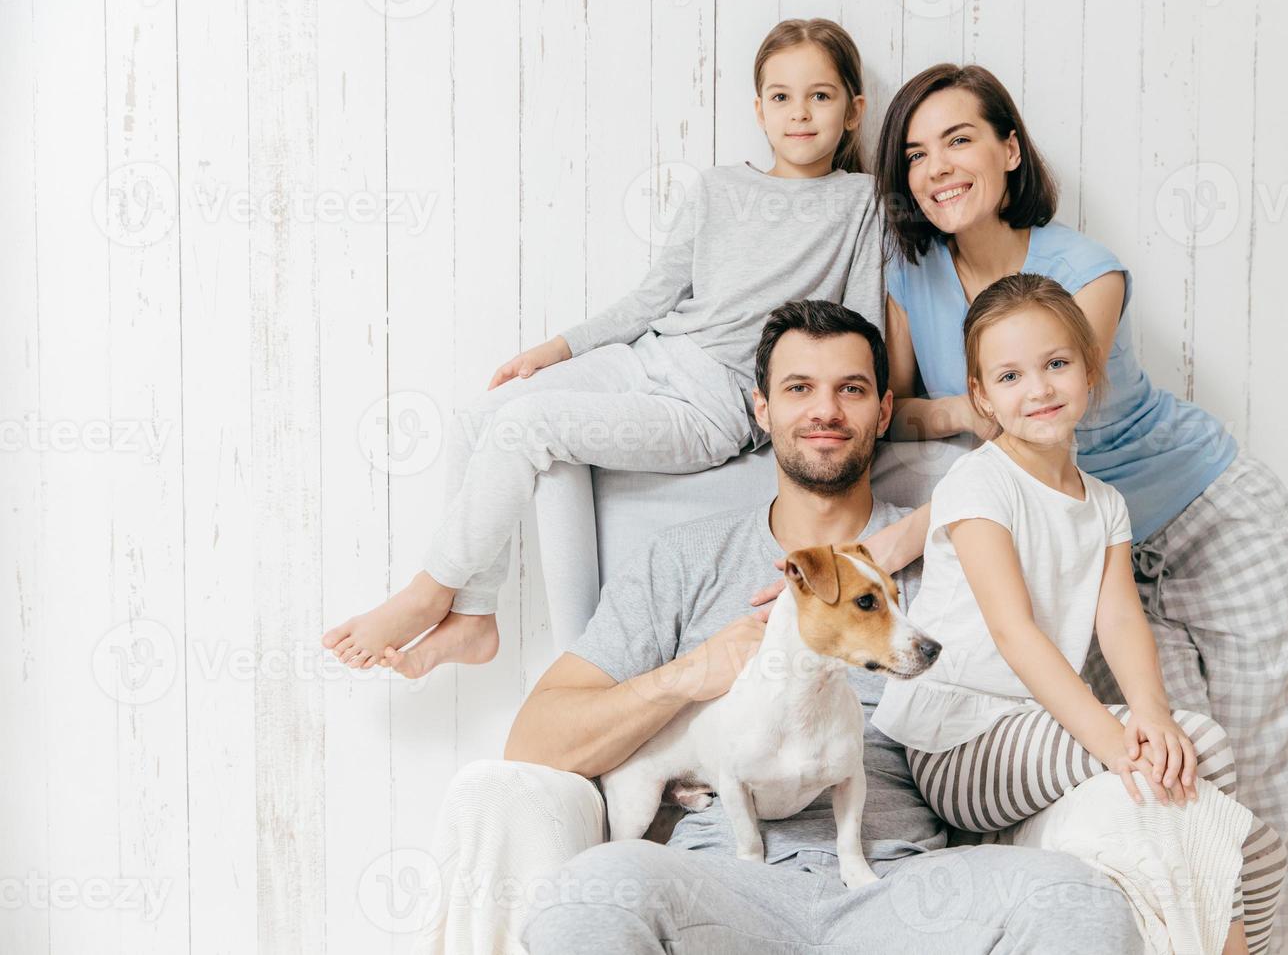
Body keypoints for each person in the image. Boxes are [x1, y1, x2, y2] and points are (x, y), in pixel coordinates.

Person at [413, 301, 1144, 954]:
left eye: (851, 390)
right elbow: (534, 742)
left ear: (884, 412)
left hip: (900, 886)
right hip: (721, 883)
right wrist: (686, 677)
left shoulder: (956, 550)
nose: (824, 409)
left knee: (1077, 900)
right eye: (799, 388)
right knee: (590, 893)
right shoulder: (686, 559)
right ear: (761, 409)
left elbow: (1046, 636)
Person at [861, 62, 1288, 928]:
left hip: (1199, 512)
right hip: (1088, 560)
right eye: (916, 152)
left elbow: (1033, 424)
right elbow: (902, 413)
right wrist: (954, 411)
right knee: (1174, 757)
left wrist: (943, 452)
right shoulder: (910, 278)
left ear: (1009, 149)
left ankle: (1254, 940)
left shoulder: (1086, 272)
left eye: (960, 139)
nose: (938, 167)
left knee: (1251, 761)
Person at [321, 18, 886, 679]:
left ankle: (428, 590)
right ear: (758, 109)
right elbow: (652, 298)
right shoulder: (716, 188)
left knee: (528, 427)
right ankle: (474, 615)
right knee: (483, 414)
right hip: (648, 357)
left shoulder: (859, 200)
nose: (800, 113)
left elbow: (862, 320)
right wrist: (558, 348)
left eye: (820, 96)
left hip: (712, 404)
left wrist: (864, 412)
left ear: (854, 110)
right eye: (782, 97)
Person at [870, 273, 1285, 954]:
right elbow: (1013, 631)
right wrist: (1115, 741)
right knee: (1199, 749)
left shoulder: (1105, 503)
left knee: (1252, 847)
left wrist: (1150, 713)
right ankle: (999, 839)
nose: (1037, 390)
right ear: (981, 396)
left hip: (1037, 736)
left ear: (1089, 372)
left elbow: (1121, 621)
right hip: (962, 743)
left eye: (1056, 364)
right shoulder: (977, 483)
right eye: (1009, 376)